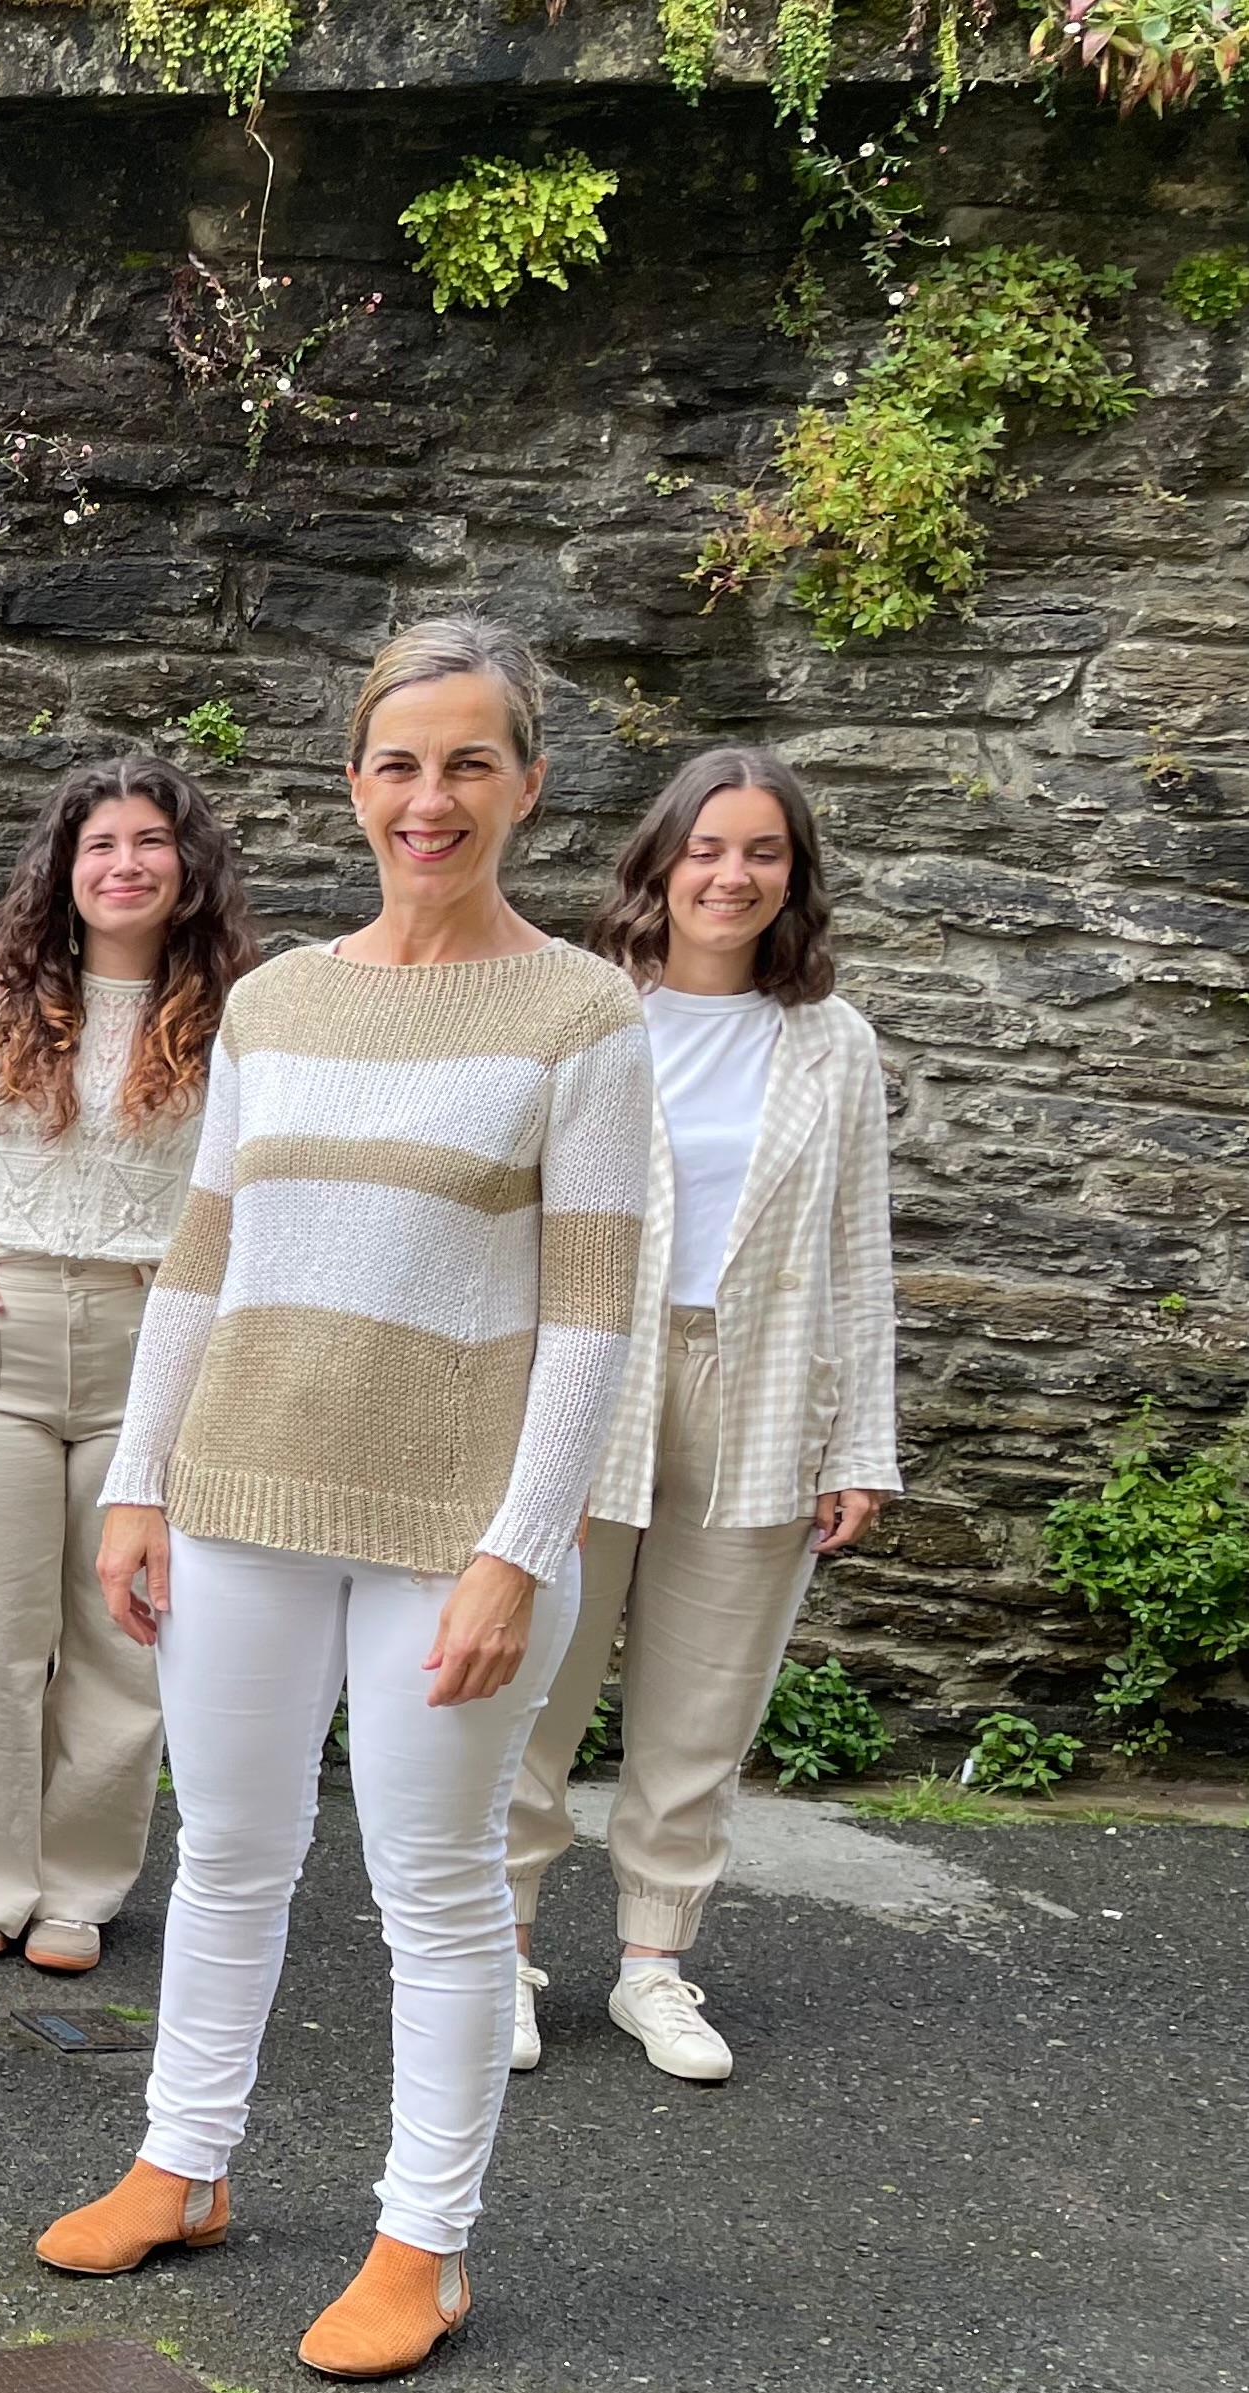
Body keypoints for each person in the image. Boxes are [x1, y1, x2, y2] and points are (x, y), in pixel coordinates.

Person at [37, 615, 654, 2383]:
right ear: (354, 782)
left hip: (449, 1528)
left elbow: (593, 1309)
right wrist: (139, 1483)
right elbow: (201, 1256)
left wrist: (518, 1548)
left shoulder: (580, 1015)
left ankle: (423, 2243)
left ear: (526, 785)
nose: (427, 797)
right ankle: (182, 2163)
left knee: (435, 1887)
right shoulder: (279, 1000)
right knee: (227, 1852)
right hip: (237, 1487)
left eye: (467, 763)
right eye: (398, 762)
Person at [505, 746, 896, 2084]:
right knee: (534, 1681)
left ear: (794, 876)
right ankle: (500, 1951)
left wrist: (859, 1443)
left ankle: (652, 1965)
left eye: (762, 852)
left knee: (705, 1697)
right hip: (588, 1376)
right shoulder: (586, 1008)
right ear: (660, 864)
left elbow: (857, 1250)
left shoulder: (831, 1040)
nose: (732, 875)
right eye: (708, 848)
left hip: (762, 1383)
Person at [0, 755, 256, 1975]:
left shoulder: (237, 1020)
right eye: (99, 843)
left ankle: (79, 1884)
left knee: (124, 1630)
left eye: (149, 841)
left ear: (186, 864)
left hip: (150, 1347)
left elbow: (261, 1189)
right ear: (63, 869)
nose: (124, 864)